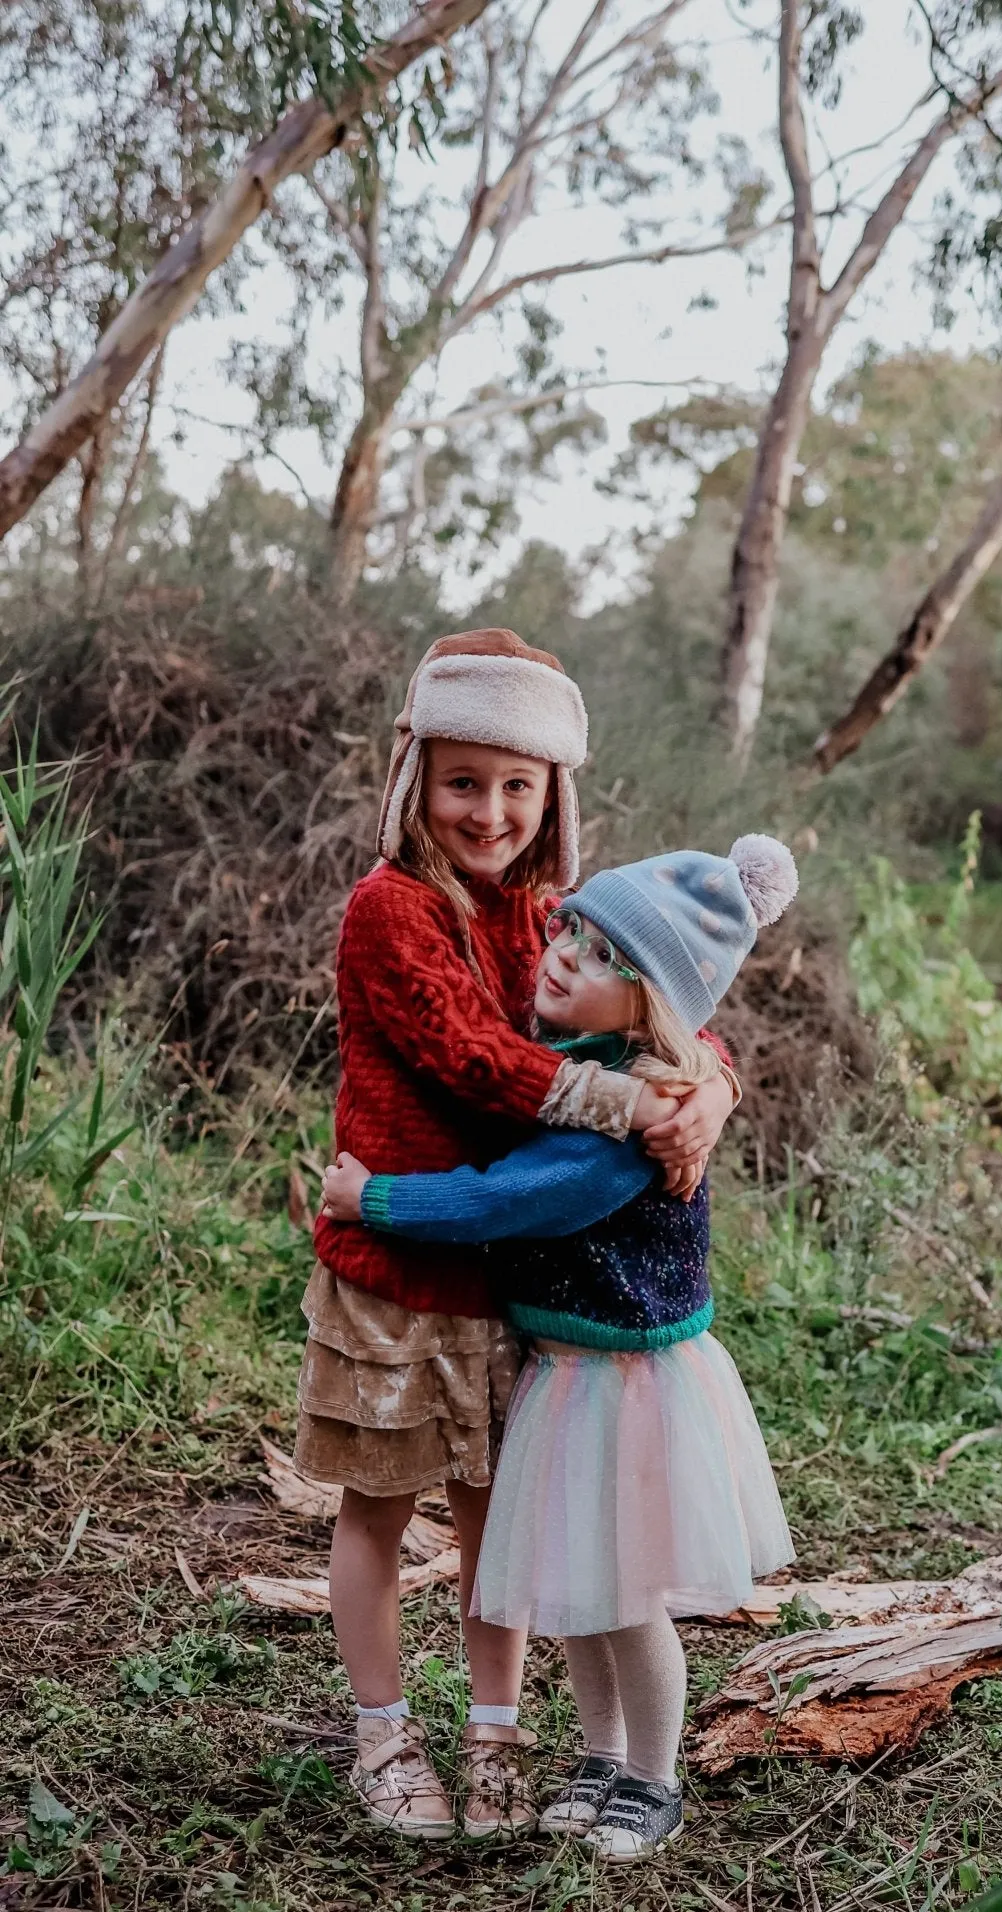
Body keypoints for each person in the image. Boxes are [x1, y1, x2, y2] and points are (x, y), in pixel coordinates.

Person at [300, 628, 738, 1844]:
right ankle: (383, 1736)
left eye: (516, 785)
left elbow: (652, 1004)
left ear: (552, 795)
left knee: (498, 1516)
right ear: (414, 778)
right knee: (380, 1511)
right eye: (461, 781)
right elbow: (483, 1062)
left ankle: (497, 1736)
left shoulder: (546, 914)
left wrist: (709, 1083)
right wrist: (637, 1102)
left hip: (508, 1285)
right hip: (395, 1270)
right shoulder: (389, 909)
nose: (488, 811)